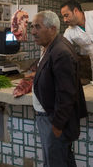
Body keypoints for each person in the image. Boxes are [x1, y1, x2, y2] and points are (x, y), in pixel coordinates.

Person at [31, 10, 87, 167]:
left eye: (37, 27)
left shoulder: (60, 52)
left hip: (54, 120)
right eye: (32, 27)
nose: (33, 32)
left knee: (55, 162)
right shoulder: (51, 47)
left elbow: (67, 94)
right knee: (62, 160)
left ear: (52, 29)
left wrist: (57, 125)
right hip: (49, 118)